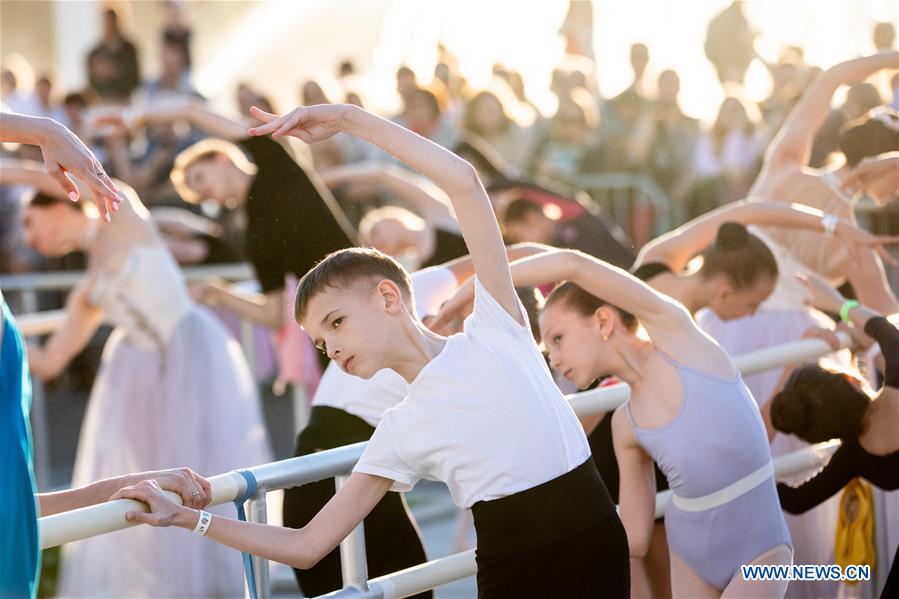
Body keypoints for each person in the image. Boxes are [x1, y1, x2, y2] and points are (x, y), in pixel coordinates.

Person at [111, 102, 630, 598]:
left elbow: (464, 184)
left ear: (387, 297)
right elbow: (306, 544)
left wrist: (349, 120)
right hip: (511, 571)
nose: (331, 347)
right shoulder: (398, 429)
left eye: (336, 323)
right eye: (320, 340)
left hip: (597, 540)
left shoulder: (495, 325)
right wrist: (186, 518)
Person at [435, 248, 792, 597]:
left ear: (603, 321)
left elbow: (573, 263)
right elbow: (634, 538)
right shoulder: (626, 423)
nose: (554, 360)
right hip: (690, 557)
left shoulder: (681, 340)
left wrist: (478, 286)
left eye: (558, 339)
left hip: (760, 548)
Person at [6, 163, 272, 597]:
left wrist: (9, 167)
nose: (31, 240)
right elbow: (51, 360)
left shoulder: (121, 214)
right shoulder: (88, 288)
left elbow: (56, 176)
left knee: (206, 467)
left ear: (61, 202)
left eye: (31, 223)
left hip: (193, 358)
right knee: (150, 479)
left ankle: (226, 579)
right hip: (142, 383)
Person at [697, 51, 899, 599]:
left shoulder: (783, 166)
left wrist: (891, 59)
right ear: (885, 162)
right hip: (797, 352)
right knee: (793, 485)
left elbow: (833, 75)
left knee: (746, 478)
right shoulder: (853, 234)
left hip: (722, 331)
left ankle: (723, 581)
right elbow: (885, 317)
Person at [282, 246, 545, 596]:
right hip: (325, 463)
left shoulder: (462, 363)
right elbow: (510, 253)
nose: (331, 349)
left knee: (411, 587)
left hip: (370, 460)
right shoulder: (409, 290)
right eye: (323, 340)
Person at [93, 99, 357, 331]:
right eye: (196, 194)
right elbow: (274, 315)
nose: (202, 191)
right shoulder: (253, 232)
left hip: (362, 285)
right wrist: (216, 291)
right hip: (335, 326)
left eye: (199, 177)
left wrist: (135, 117)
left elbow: (191, 110)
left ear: (220, 157)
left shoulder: (273, 160)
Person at [770, 275, 898, 596]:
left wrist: (742, 480)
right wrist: (840, 304)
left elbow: (797, 500)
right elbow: (884, 330)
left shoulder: (852, 457)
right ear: (848, 378)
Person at [631, 199, 899, 318]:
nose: (752, 315)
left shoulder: (656, 258)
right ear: (726, 293)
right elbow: (748, 211)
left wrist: (835, 227)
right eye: (752, 304)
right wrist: (833, 225)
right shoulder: (679, 331)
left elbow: (748, 211)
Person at [320, 162, 467, 270]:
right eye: (372, 247)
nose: (375, 242)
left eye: (375, 231)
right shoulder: (414, 274)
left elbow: (383, 174)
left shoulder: (438, 213)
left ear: (392, 218)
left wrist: (324, 179)